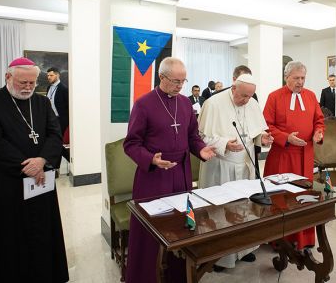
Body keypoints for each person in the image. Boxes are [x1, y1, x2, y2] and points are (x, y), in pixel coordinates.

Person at [0, 57, 68, 282]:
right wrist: (28, 166)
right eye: (23, 83)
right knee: (7, 235)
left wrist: (41, 161)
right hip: (0, 179)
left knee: (39, 230)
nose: (28, 88)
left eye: (32, 83)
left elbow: (54, 134)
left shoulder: (41, 103)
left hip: (39, 178)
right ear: (8, 77)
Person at [123, 57, 216, 283]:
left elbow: (192, 136)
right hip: (153, 177)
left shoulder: (185, 103)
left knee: (182, 226)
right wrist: (151, 160)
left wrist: (201, 150)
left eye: (183, 81)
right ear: (161, 77)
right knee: (152, 230)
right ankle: (145, 276)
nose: (180, 86)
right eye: (175, 81)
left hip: (181, 174)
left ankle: (177, 274)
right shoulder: (143, 104)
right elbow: (131, 143)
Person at [198, 74, 273, 270]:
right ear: (233, 88)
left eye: (250, 96)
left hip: (245, 165)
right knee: (221, 212)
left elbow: (256, 131)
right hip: (221, 166)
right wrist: (224, 144)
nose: (246, 101)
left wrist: (262, 138)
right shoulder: (213, 104)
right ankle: (219, 256)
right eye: (243, 96)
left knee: (244, 210)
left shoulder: (252, 103)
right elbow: (200, 137)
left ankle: (243, 250)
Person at [263, 61, 324, 250]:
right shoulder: (274, 97)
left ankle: (304, 238)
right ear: (286, 77)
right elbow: (266, 125)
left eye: (303, 78)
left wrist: (318, 132)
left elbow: (319, 120)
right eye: (296, 78)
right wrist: (286, 138)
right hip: (283, 155)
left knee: (304, 197)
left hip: (305, 155)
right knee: (282, 197)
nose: (300, 82)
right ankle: (280, 239)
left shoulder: (311, 96)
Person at [47, 67, 70, 162]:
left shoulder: (64, 89)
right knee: (53, 143)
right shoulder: (49, 87)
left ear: (57, 75)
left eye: (51, 75)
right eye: (47, 75)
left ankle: (71, 161)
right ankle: (55, 166)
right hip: (51, 120)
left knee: (58, 144)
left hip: (62, 121)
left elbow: (69, 107)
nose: (49, 77)